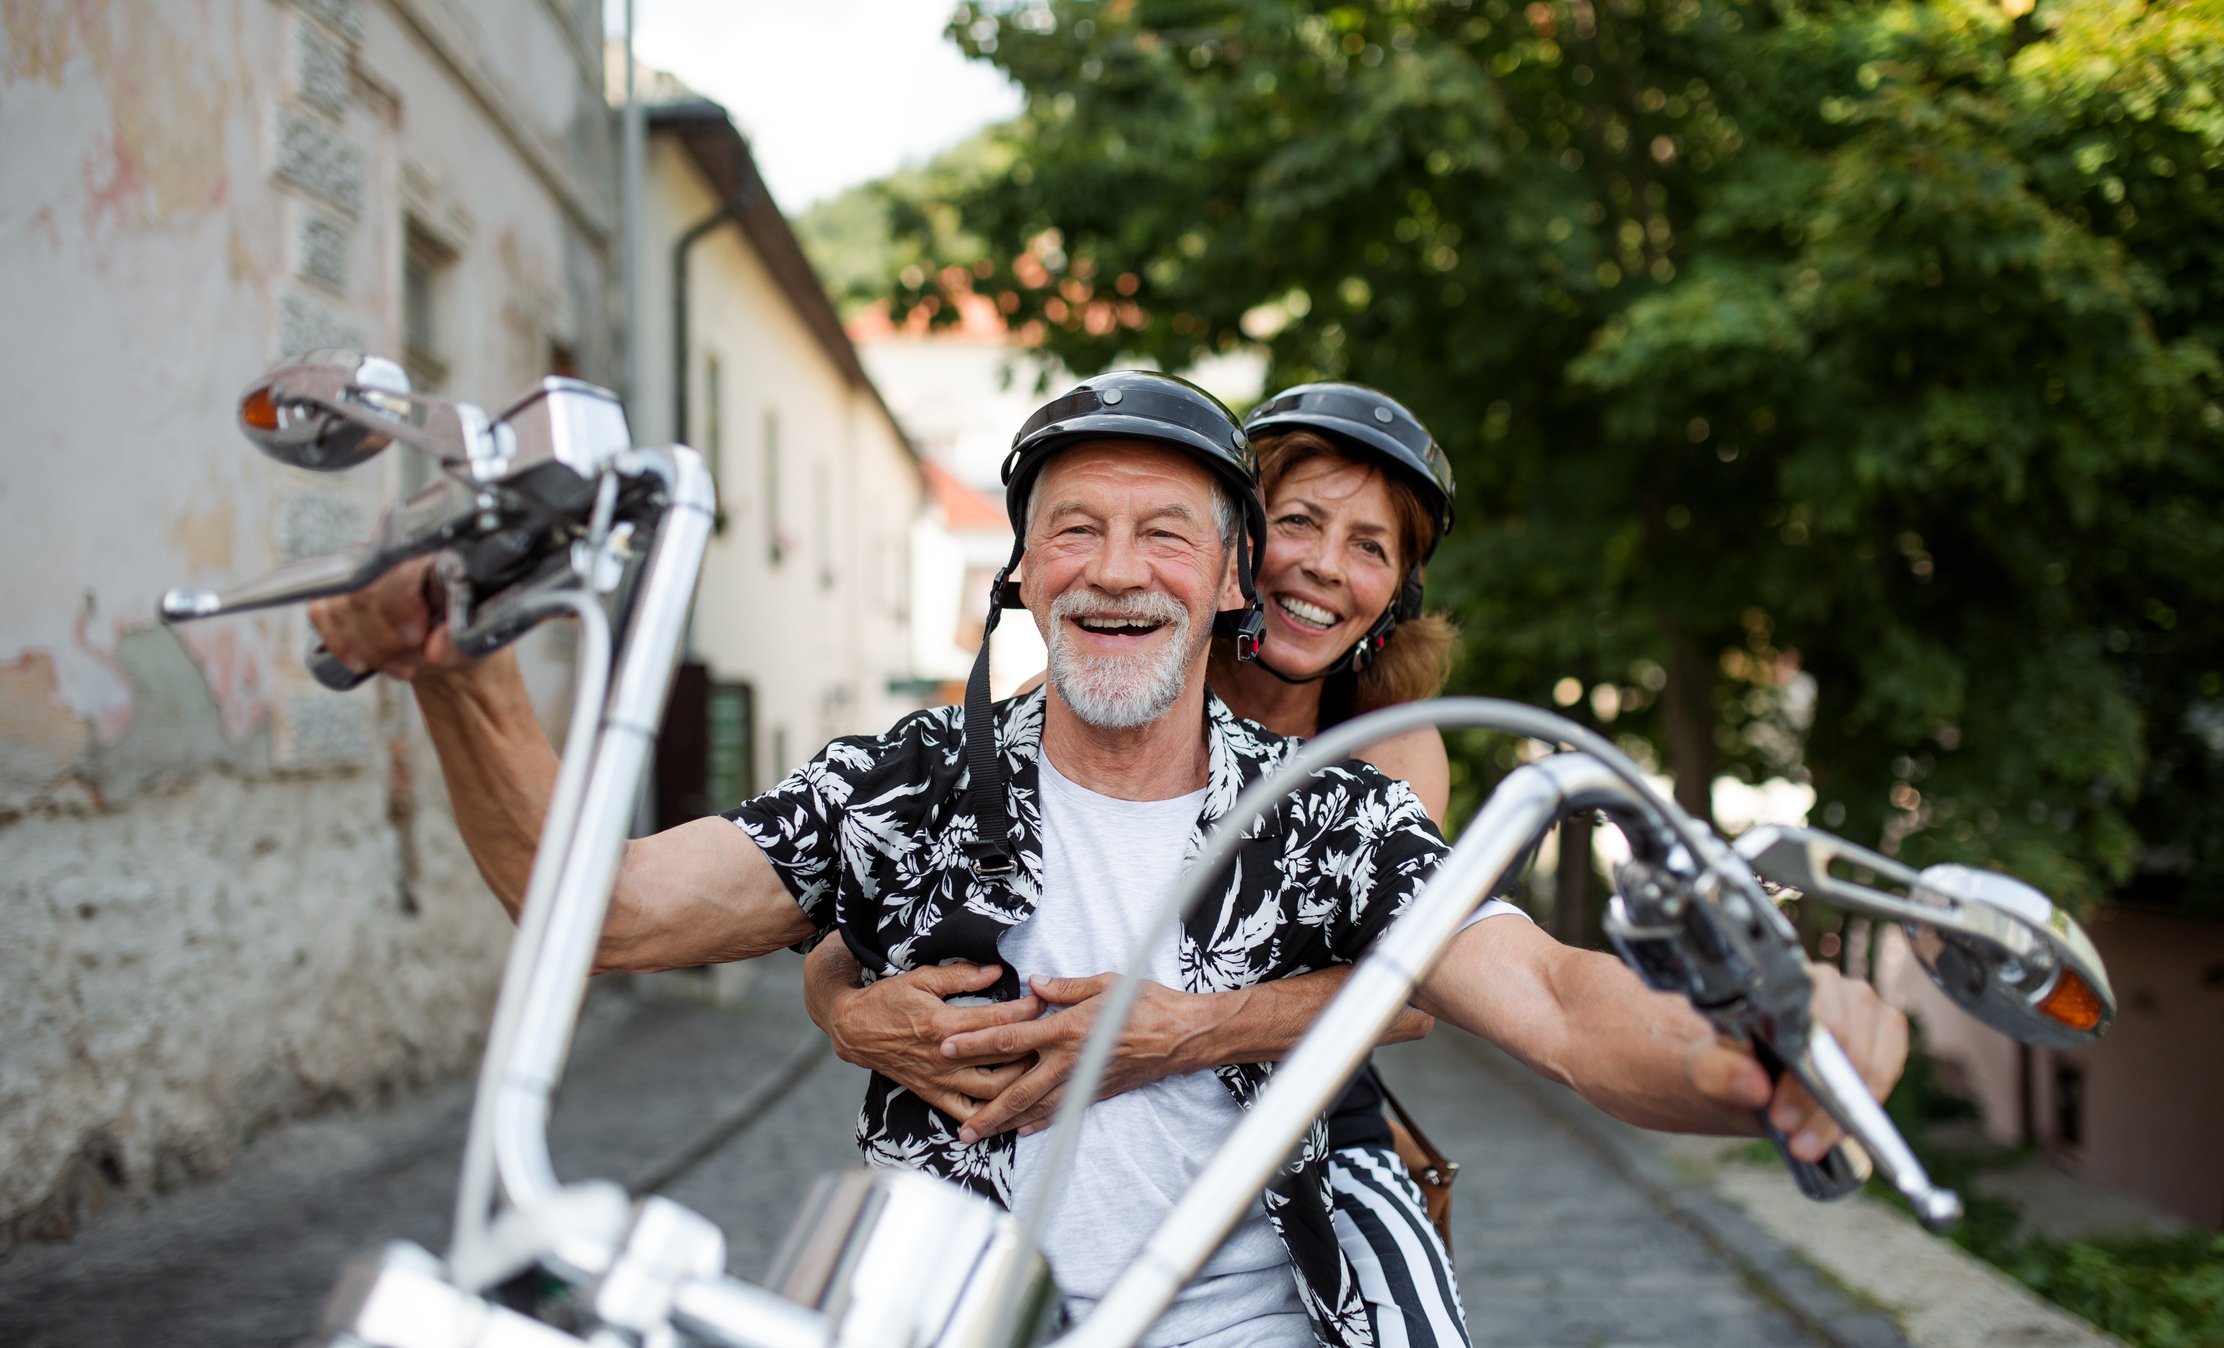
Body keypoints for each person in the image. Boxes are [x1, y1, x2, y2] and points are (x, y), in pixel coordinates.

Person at [309, 372, 1907, 1348]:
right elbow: (605, 910)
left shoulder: (1333, 807)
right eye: (1075, 528)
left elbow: (1553, 1001)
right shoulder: (906, 781)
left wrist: (1758, 1046)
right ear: (1020, 569)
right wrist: (462, 673)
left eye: (1166, 535)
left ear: (1229, 582)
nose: (1117, 571)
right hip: (941, 1311)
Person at [803, 382, 1478, 1348]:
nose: (1326, 566)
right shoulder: (1102, 672)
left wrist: (1188, 1031)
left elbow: (1413, 989)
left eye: (1370, 546)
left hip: (1317, 1128)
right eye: (1299, 522)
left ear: (1399, 593)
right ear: (1237, 545)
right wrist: (841, 1009)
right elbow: (883, 901)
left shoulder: (1393, 748)